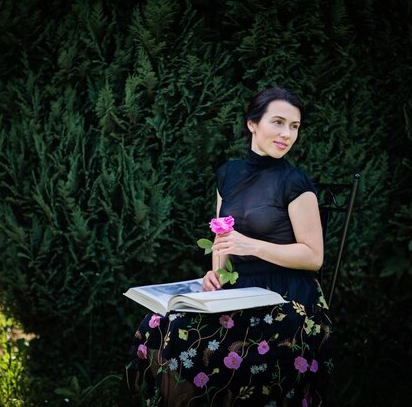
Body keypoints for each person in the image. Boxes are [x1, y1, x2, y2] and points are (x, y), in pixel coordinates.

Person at [125, 87, 331, 406]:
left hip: (287, 298)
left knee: (187, 333)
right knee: (157, 323)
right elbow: (224, 239)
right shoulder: (229, 174)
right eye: (278, 122)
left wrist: (253, 245)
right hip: (237, 291)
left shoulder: (295, 182)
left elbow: (314, 257)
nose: (287, 133)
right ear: (252, 123)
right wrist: (215, 275)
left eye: (294, 126)